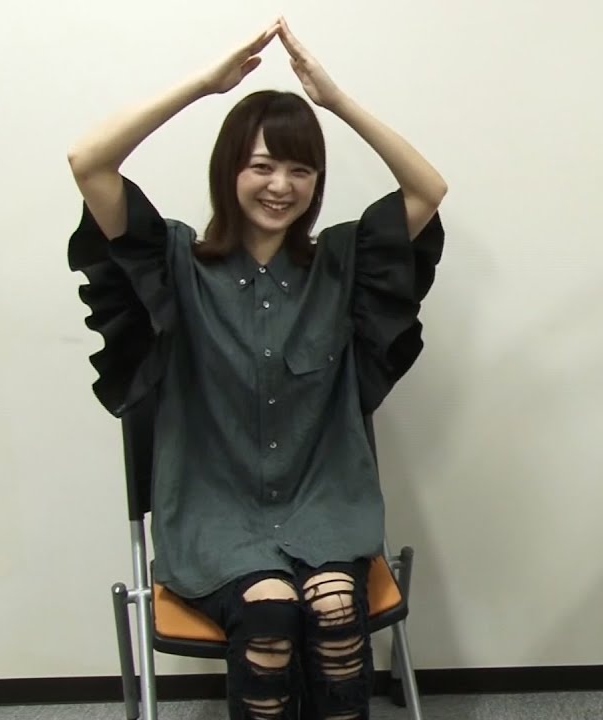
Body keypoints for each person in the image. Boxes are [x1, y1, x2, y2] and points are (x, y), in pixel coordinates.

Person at [66, 17, 446, 720]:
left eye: (301, 169)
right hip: (212, 516)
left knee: (335, 612)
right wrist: (203, 86)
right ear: (229, 172)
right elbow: (89, 162)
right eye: (262, 165)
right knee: (269, 618)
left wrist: (335, 100)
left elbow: (428, 189)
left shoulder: (344, 263)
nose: (281, 185)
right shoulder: (174, 263)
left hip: (324, 507)